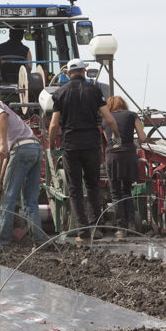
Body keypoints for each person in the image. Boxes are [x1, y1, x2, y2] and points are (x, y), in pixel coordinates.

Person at [47, 59, 120, 243]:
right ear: (83, 71)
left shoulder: (60, 93)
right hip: (91, 144)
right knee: (93, 186)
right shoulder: (94, 91)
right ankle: (95, 228)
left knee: (75, 189)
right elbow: (109, 119)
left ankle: (83, 233)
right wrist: (116, 136)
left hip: (71, 144)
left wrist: (51, 144)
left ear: (68, 73)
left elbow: (54, 123)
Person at [0, 91, 47, 249]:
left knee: (8, 199)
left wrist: (2, 145)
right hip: (35, 149)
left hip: (20, 150)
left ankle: (3, 242)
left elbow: (1, 116)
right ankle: (40, 241)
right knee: (30, 201)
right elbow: (5, 156)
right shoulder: (2, 106)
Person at [102, 95, 148, 238]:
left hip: (112, 157)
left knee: (116, 193)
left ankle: (121, 228)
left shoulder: (105, 120)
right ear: (123, 104)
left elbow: (107, 140)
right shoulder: (132, 115)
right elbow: (142, 138)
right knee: (127, 190)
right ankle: (132, 225)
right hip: (128, 155)